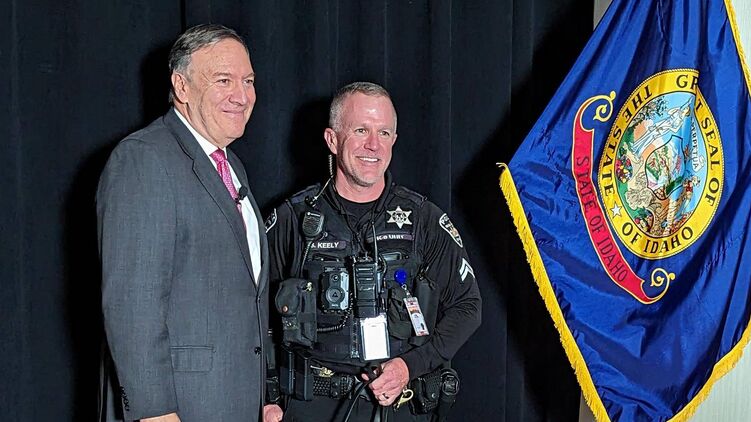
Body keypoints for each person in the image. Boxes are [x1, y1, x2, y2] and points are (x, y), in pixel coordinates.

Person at [263, 82, 482, 421]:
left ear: (394, 140)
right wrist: (267, 397)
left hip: (400, 406)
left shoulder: (423, 219)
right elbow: (253, 313)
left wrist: (410, 366)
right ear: (332, 139)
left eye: (384, 132)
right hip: (312, 406)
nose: (373, 145)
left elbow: (467, 306)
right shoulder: (293, 219)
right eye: (361, 130)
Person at [97, 24, 269, 422]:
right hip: (177, 409)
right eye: (223, 80)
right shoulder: (144, 158)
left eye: (248, 81)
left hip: (235, 402)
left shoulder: (231, 165)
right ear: (181, 86)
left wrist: (266, 393)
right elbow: (131, 303)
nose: (241, 95)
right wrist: (156, 412)